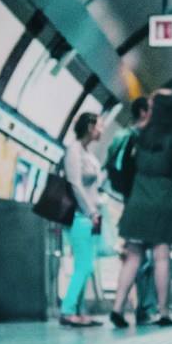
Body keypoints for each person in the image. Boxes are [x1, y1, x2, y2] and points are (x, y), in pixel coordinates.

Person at [110, 89, 172, 328]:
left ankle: (117, 308)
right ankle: (163, 312)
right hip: (163, 198)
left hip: (138, 198)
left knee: (133, 257)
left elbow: (126, 165)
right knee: (161, 258)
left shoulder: (137, 134)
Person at [60, 111, 104, 326]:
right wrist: (90, 212)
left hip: (91, 217)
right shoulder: (73, 151)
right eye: (99, 126)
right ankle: (68, 310)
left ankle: (79, 311)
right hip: (79, 216)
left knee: (86, 265)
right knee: (84, 266)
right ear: (90, 127)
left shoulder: (89, 155)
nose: (102, 130)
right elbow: (74, 183)